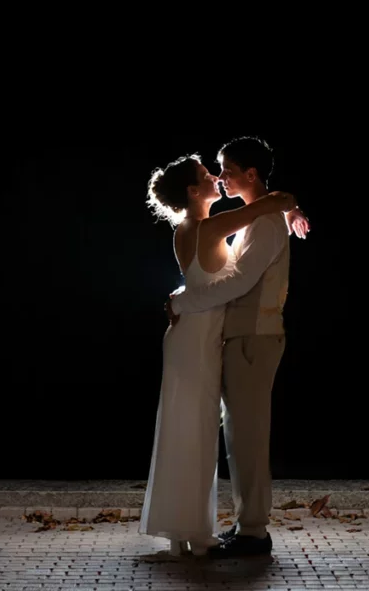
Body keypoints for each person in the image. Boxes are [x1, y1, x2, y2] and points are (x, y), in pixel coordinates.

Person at [139, 152, 302, 559]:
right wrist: (289, 202)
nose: (218, 177)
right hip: (200, 339)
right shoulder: (211, 226)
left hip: (202, 336)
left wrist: (181, 300)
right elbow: (271, 203)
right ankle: (200, 529)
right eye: (210, 173)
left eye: (223, 170)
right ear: (194, 191)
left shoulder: (195, 226)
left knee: (192, 429)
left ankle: (193, 529)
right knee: (198, 431)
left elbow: (227, 279)